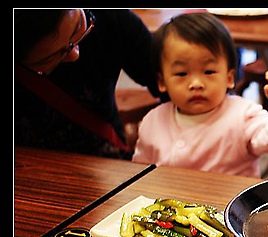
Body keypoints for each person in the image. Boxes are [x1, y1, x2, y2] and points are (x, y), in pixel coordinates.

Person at [132, 12, 268, 178]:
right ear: (162, 82)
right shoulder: (152, 121)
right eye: (181, 74)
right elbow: (140, 174)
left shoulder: (243, 114)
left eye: (208, 71)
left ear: (229, 77)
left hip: (229, 206)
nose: (196, 84)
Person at [14, 9, 163, 159]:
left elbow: (165, 77)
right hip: (30, 167)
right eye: (49, 58)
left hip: (109, 161)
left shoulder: (107, 15)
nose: (74, 55)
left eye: (78, 27)